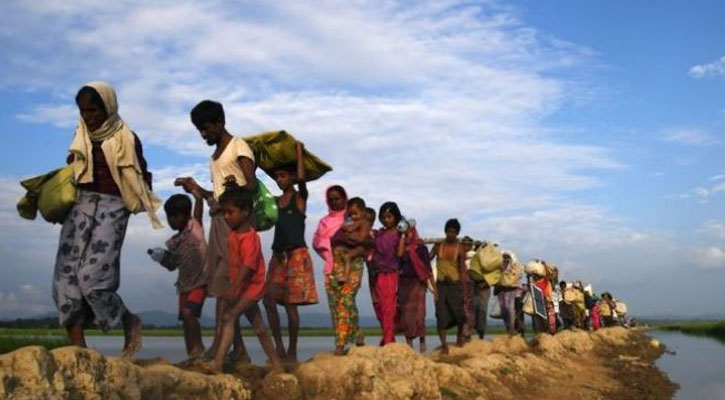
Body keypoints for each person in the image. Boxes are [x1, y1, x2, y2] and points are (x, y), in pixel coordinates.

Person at [54, 82, 162, 357]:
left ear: (109, 108)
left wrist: (136, 195)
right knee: (65, 280)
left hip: (113, 207)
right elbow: (73, 166)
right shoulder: (80, 134)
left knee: (93, 279)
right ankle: (80, 351)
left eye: (93, 111)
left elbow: (140, 176)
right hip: (80, 205)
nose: (88, 117)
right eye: (83, 111)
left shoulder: (127, 138)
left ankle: (128, 321)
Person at [176, 100, 253, 364]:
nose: (204, 134)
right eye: (200, 130)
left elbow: (250, 186)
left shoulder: (238, 147)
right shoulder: (214, 158)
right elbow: (217, 196)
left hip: (235, 225)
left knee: (226, 284)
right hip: (219, 221)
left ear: (220, 123)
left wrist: (232, 193)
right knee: (222, 286)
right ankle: (237, 350)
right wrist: (197, 189)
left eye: (207, 128)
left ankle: (219, 347)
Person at [198, 185, 280, 374]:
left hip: (251, 287)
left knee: (229, 317)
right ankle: (277, 363)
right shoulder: (234, 235)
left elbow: (247, 267)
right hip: (243, 287)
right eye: (224, 212)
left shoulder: (250, 238)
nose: (226, 217)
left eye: (230, 212)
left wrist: (233, 289)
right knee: (259, 327)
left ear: (245, 212)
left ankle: (217, 363)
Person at [263, 141, 319, 363]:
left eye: (283, 176)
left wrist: (298, 153)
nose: (279, 180)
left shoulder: (299, 198)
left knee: (290, 305)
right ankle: (279, 348)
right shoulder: (275, 202)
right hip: (278, 256)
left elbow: (302, 181)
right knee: (268, 301)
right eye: (277, 177)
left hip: (296, 255)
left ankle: (292, 351)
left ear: (292, 177)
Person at [149, 192, 207, 361]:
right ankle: (191, 355)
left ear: (186, 214)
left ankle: (199, 348)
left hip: (200, 282)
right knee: (185, 319)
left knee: (189, 313)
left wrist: (197, 197)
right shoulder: (174, 242)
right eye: (169, 216)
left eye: (175, 216)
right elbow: (172, 266)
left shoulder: (194, 228)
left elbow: (198, 213)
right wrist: (162, 258)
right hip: (184, 285)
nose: (171, 220)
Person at [328, 197, 372, 355]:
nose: (353, 216)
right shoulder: (344, 223)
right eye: (351, 213)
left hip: (354, 263)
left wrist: (349, 235)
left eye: (356, 213)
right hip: (337, 263)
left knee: (345, 300)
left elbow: (361, 239)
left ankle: (340, 344)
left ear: (363, 212)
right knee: (337, 303)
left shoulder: (364, 223)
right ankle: (357, 334)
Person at [429, 218, 469, 354]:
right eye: (449, 231)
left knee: (459, 314)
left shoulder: (460, 248)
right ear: (445, 231)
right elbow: (427, 259)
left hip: (454, 285)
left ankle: (459, 338)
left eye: (453, 232)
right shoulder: (438, 246)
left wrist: (464, 289)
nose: (451, 234)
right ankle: (444, 345)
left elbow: (462, 269)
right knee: (440, 315)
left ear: (457, 233)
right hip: (441, 286)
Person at [371, 202, 406, 346]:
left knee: (389, 308)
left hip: (392, 274)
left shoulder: (398, 234)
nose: (386, 220)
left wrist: (403, 235)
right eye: (383, 217)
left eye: (389, 217)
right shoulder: (378, 234)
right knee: (380, 306)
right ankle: (387, 335)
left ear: (396, 217)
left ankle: (388, 339)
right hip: (378, 274)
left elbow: (400, 253)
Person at [398, 226, 435, 352]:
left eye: (409, 232)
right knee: (406, 315)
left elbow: (428, 269)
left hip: (418, 283)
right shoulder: (401, 248)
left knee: (420, 314)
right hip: (404, 284)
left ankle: (422, 341)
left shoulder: (421, 248)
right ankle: (409, 345)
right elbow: (398, 263)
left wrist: (434, 289)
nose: (407, 234)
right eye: (405, 232)